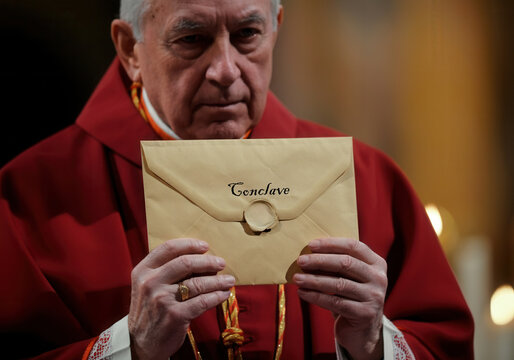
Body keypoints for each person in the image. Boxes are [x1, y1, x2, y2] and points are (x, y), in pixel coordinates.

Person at [0, 0, 474, 359]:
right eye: (191, 39)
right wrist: (132, 346)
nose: (225, 70)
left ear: (276, 30)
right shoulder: (30, 196)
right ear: (130, 50)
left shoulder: (369, 178)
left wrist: (372, 343)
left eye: (247, 34)